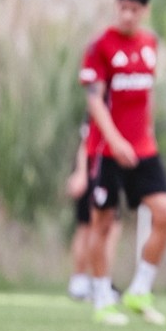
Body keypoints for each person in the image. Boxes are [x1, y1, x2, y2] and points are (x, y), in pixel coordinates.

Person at [80, 0, 166, 326]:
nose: (127, 15)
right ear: (116, 6)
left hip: (143, 150)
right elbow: (95, 100)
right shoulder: (100, 46)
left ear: (144, 11)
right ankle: (102, 297)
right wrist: (116, 140)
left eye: (134, 10)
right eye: (122, 7)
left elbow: (146, 95)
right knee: (103, 223)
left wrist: (146, 131)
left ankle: (139, 289)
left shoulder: (150, 44)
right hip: (107, 150)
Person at [64, 121, 121, 302]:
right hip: (95, 169)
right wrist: (81, 173)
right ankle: (84, 281)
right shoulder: (101, 106)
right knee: (90, 226)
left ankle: (96, 282)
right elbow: (86, 140)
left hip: (106, 168)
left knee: (107, 226)